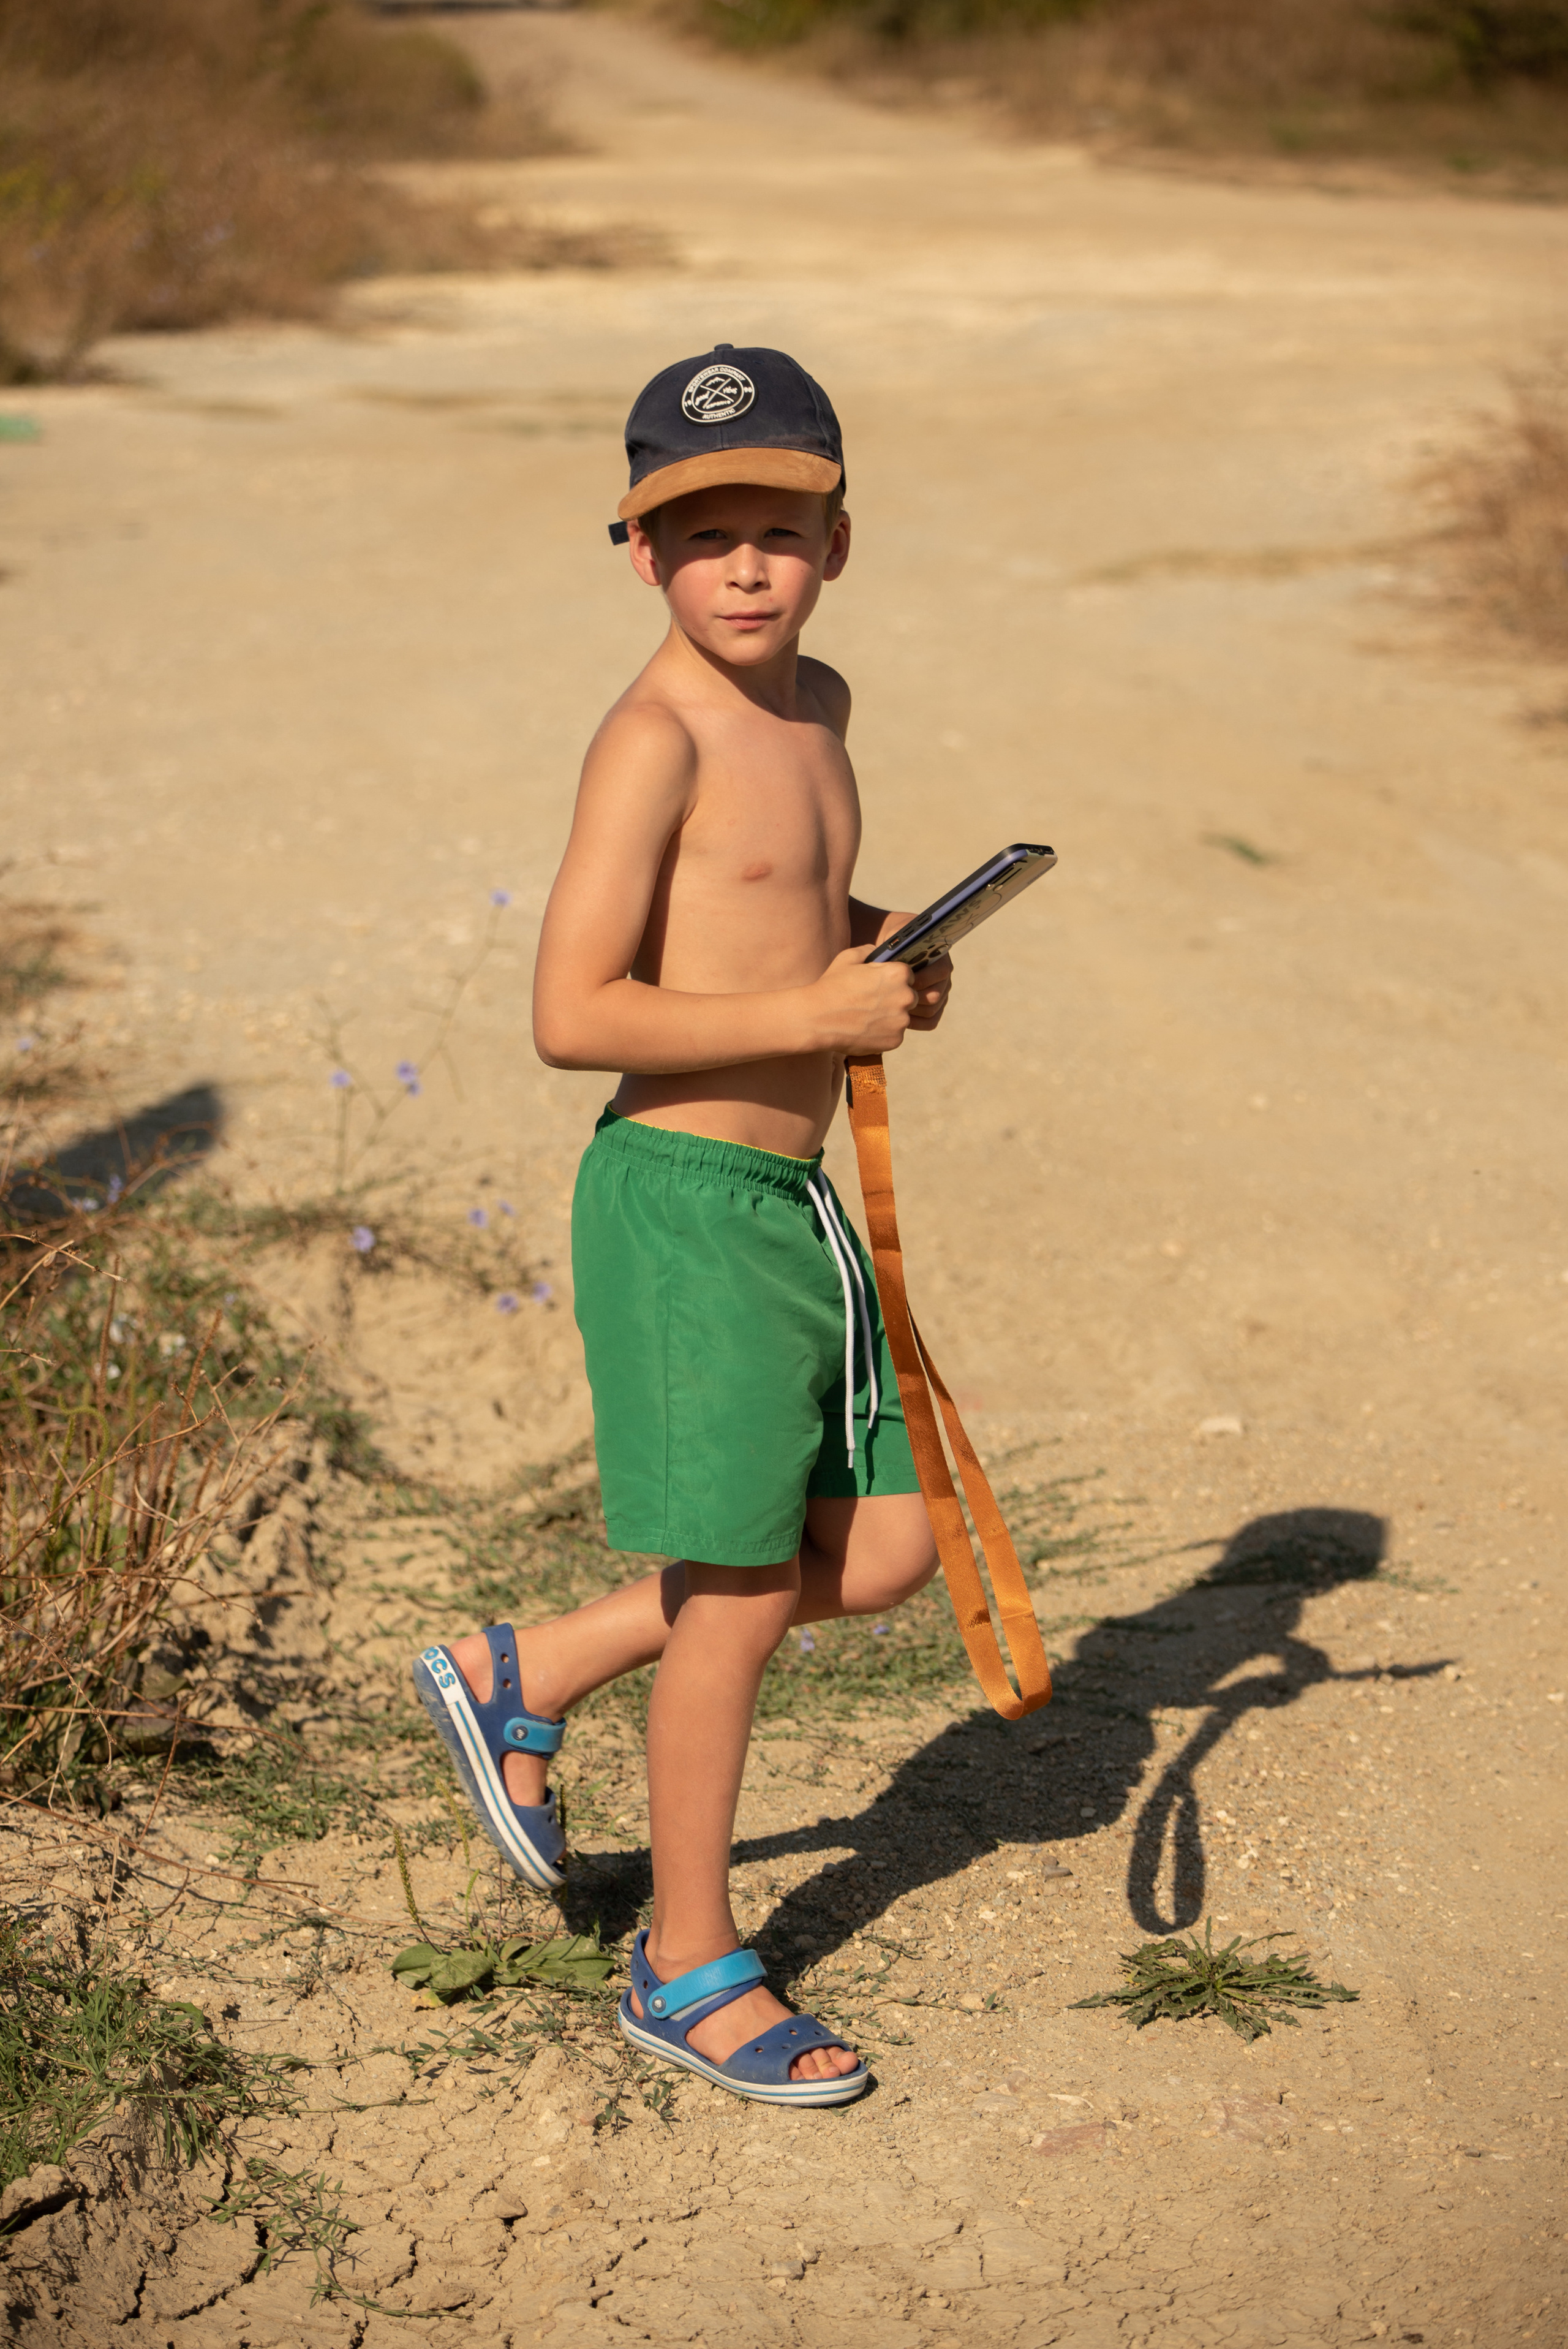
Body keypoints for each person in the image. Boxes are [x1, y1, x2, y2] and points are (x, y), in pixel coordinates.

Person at [413, 344, 952, 2106]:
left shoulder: (823, 704)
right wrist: (815, 1020)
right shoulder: (651, 738)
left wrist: (876, 947)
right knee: (732, 1594)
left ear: (838, 540)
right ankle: (687, 1958)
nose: (742, 564)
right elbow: (578, 1009)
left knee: (876, 1554)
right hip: (682, 1205)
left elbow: (781, 906)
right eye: (700, 531)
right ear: (640, 551)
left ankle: (533, 1665)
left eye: (776, 530)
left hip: (793, 1199)